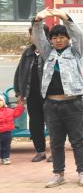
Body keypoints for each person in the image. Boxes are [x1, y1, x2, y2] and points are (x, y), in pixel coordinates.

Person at [32, 8, 83, 187]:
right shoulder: (47, 52)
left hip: (73, 104)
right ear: (50, 40)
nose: (58, 40)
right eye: (54, 37)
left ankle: (82, 173)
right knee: (56, 142)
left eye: (62, 37)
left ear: (68, 38)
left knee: (77, 141)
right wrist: (38, 21)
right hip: (51, 104)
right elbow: (38, 38)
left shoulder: (76, 52)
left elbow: (78, 35)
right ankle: (58, 174)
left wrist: (64, 17)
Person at [13, 23, 47, 162]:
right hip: (32, 95)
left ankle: (55, 151)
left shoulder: (50, 52)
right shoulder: (28, 52)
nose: (34, 37)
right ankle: (40, 151)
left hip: (49, 95)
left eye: (38, 34)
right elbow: (20, 72)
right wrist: (19, 93)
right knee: (35, 124)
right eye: (32, 34)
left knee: (54, 124)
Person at [0, 94, 25, 164]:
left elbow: (16, 113)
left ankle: (5, 158)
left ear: (3, 102)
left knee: (6, 146)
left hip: (7, 132)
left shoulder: (9, 111)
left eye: (0, 100)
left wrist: (20, 105)